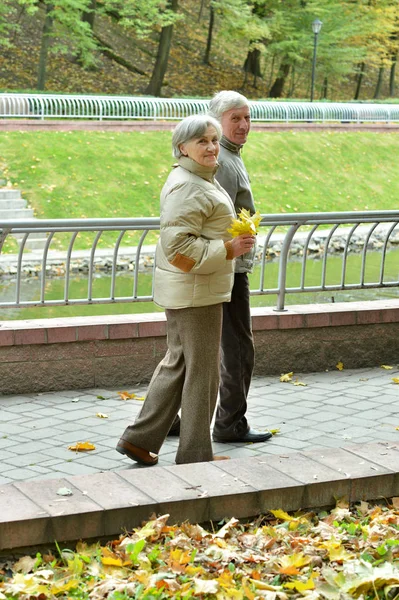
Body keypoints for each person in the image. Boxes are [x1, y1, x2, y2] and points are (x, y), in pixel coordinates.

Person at [116, 114, 255, 466]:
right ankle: (194, 455)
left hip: (193, 290)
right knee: (203, 374)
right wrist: (229, 249)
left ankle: (139, 440)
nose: (211, 147)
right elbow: (179, 250)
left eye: (213, 139)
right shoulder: (190, 185)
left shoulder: (196, 178)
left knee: (178, 363)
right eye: (202, 141)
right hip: (196, 292)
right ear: (183, 148)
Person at [169, 91, 272, 444]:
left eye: (247, 117)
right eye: (235, 119)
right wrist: (238, 242)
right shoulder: (222, 163)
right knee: (238, 350)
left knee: (190, 352)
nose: (244, 125)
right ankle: (229, 424)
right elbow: (213, 223)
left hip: (216, 268)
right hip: (226, 269)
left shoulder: (225, 156)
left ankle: (166, 420)